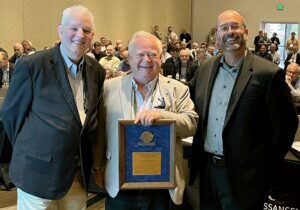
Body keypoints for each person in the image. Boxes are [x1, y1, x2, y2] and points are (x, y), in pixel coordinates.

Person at [189, 10, 298, 210]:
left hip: (246, 179)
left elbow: (285, 128)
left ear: (246, 32)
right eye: (224, 28)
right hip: (207, 174)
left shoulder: (268, 73)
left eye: (235, 26)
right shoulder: (204, 68)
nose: (230, 32)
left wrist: (263, 170)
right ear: (216, 35)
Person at [1, 5, 106, 210]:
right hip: (36, 174)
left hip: (76, 176)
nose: (80, 35)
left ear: (92, 36)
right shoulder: (32, 65)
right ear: (60, 30)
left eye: (86, 30)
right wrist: (33, 149)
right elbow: (10, 115)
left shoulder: (97, 71)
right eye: (73, 28)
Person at [97, 31, 198, 210]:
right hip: (121, 185)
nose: (147, 60)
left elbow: (191, 123)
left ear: (161, 58)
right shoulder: (108, 88)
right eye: (141, 54)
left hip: (163, 187)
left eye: (153, 55)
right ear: (129, 58)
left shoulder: (178, 89)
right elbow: (99, 133)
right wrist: (97, 167)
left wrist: (163, 116)